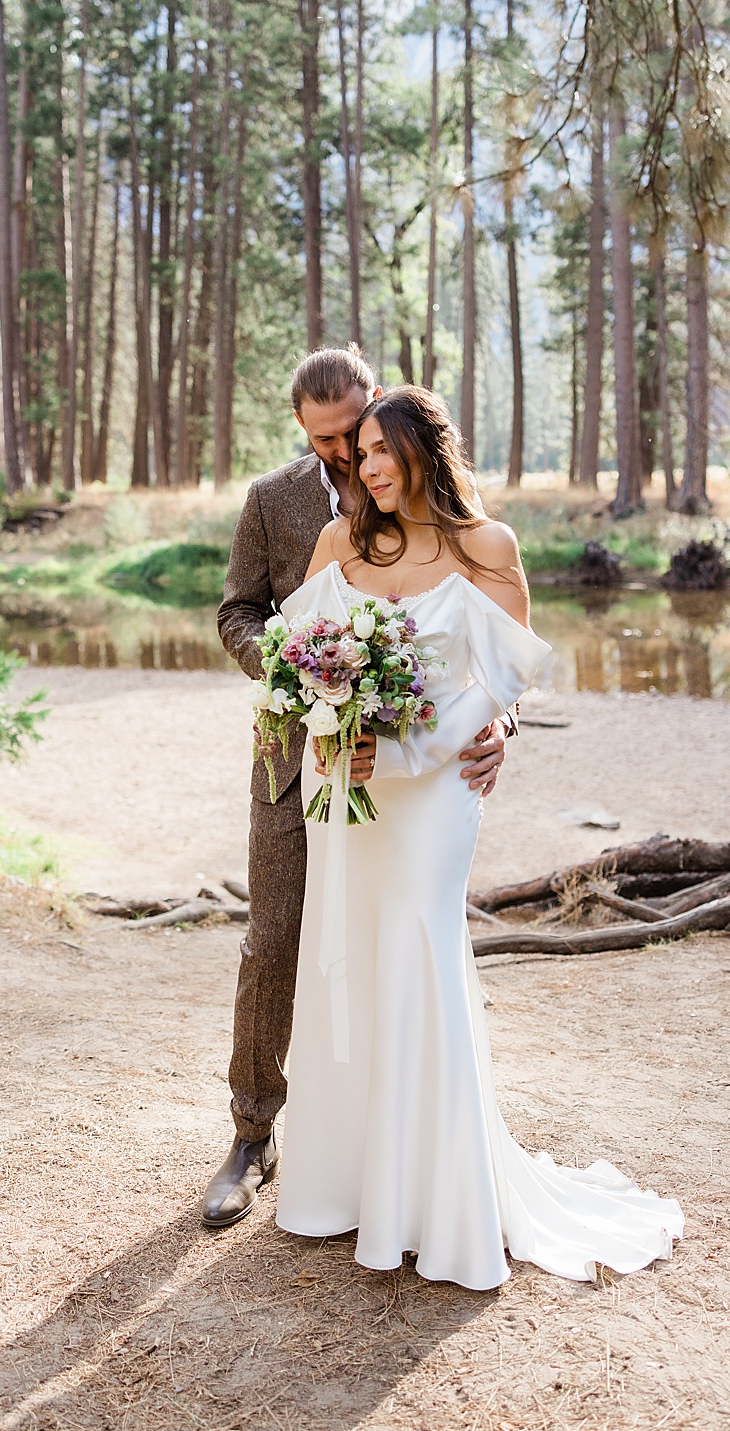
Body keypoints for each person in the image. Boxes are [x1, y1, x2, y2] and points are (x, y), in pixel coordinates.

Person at [271, 385, 682, 1288]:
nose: (369, 468)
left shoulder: (487, 548)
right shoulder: (340, 543)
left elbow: (500, 681)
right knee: (347, 957)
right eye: (362, 454)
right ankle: (342, 1186)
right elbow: (294, 661)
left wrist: (444, 739)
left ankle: (435, 1203)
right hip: (345, 790)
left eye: (384, 450)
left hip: (434, 791)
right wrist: (331, 715)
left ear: (428, 450)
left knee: (421, 948)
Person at [206, 348, 513, 1230]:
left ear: (376, 407)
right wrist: (301, 671)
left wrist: (499, 722)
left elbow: (481, 631)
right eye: (323, 439)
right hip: (293, 756)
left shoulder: (433, 494)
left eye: (352, 432)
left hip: (404, 769)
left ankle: (379, 1153)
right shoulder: (273, 501)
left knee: (388, 947)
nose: (343, 453)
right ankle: (251, 1135)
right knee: (271, 940)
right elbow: (238, 608)